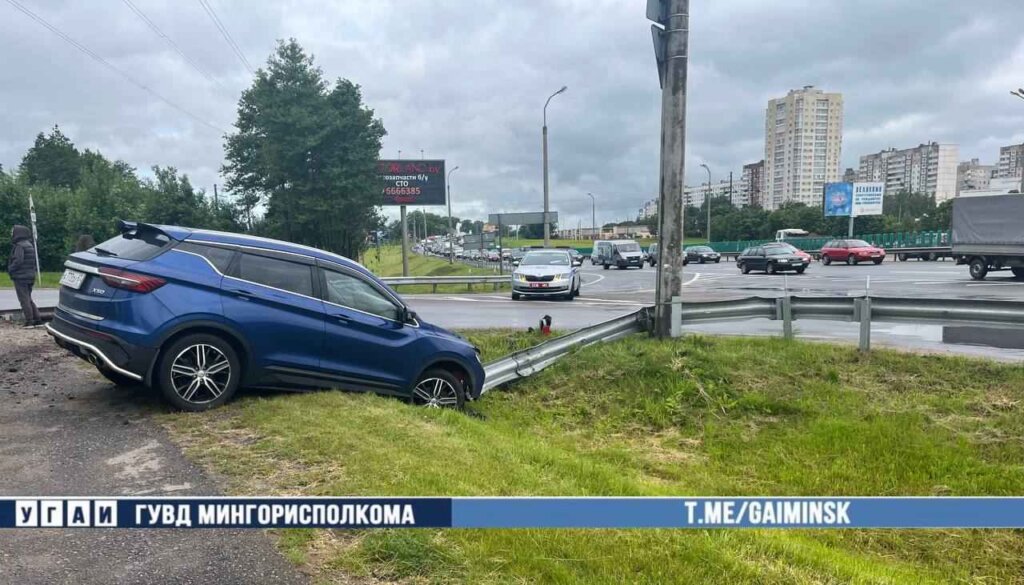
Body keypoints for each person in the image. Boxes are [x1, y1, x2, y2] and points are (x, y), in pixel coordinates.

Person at [8, 225, 42, 328]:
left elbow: (18, 260)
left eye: (13, 232)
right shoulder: (29, 244)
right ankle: (37, 319)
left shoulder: (20, 246)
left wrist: (10, 269)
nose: (11, 234)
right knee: (28, 298)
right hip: (30, 276)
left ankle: (29, 321)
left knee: (24, 300)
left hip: (21, 276)